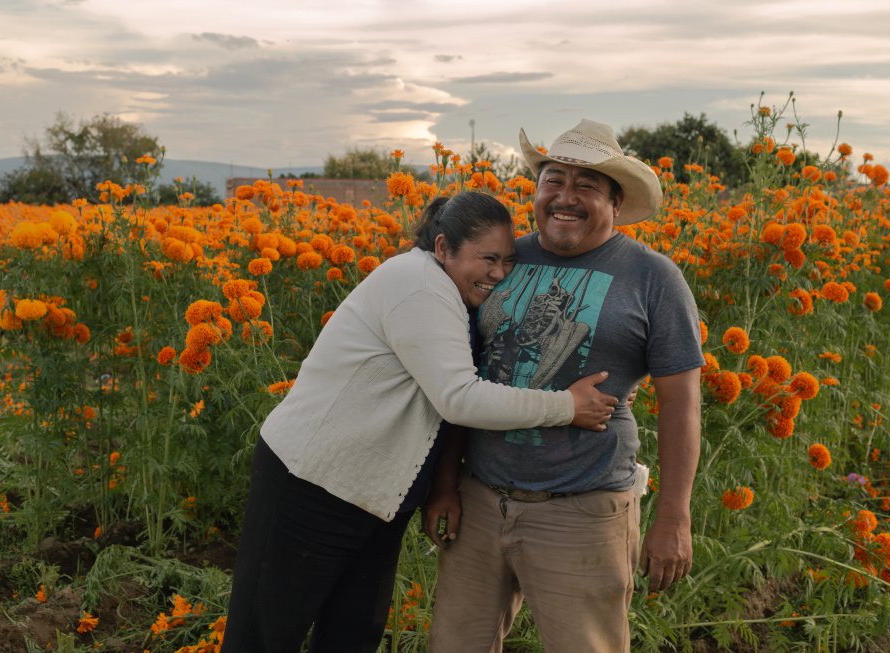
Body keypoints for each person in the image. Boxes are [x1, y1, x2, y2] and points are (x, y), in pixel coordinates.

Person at [220, 191, 620, 653]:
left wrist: (442, 486)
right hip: (312, 482)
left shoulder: (451, 293)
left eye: (508, 261)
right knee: (265, 633)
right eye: (487, 258)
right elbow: (458, 398)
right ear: (444, 247)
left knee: (352, 633)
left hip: (375, 495)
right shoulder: (419, 285)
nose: (499, 273)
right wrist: (566, 406)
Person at [425, 119, 705, 653]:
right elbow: (468, 375)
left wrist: (673, 516)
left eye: (587, 186)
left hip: (583, 509)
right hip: (481, 498)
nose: (565, 198)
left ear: (616, 203)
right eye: (554, 180)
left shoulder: (653, 277)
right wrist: (446, 483)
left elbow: (681, 404)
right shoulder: (504, 259)